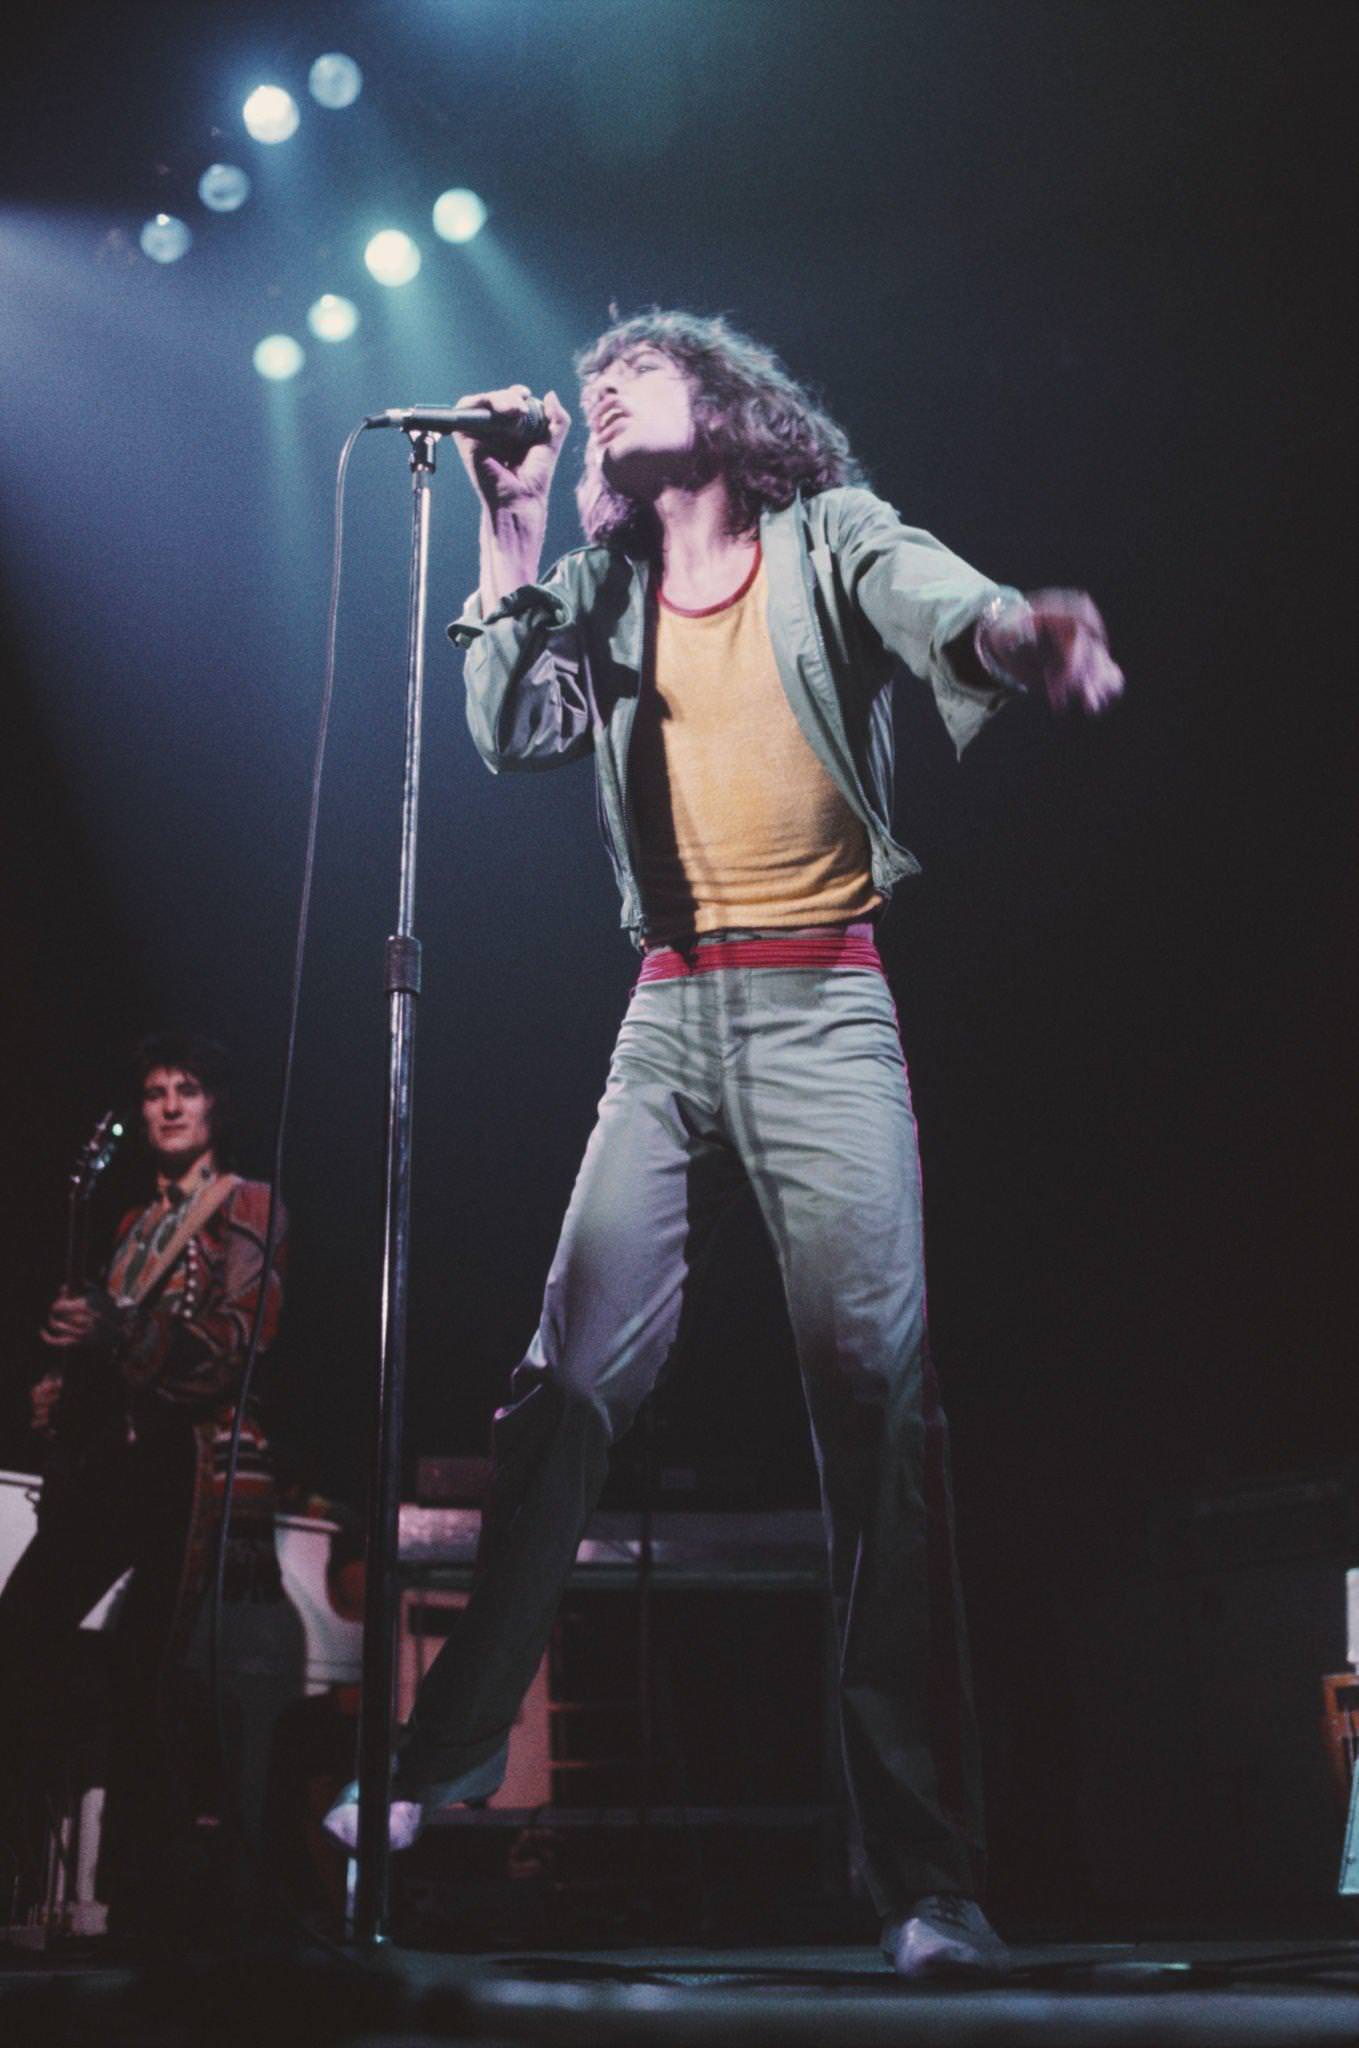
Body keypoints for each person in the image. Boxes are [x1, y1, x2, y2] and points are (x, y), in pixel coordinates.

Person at [326, 311, 1123, 1977]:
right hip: (668, 1015)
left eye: (639, 364)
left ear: (730, 404)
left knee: (873, 1411)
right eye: (589, 372)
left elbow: (934, 603)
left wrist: (1015, 635)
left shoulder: (821, 537)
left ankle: (917, 1875)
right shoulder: (602, 589)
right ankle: (441, 1759)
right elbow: (500, 728)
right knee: (559, 1385)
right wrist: (507, 518)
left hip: (823, 1005)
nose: (601, 379)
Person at [0, 1032, 286, 1939]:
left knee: (146, 1675)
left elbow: (238, 1347)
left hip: (187, 1463)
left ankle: (144, 1898)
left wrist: (114, 1333)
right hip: (112, 1465)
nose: (167, 1105)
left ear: (216, 1109)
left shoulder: (248, 1206)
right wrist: (65, 1385)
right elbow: (106, 1358)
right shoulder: (129, 1225)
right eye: (155, 1090)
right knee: (20, 1630)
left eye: (187, 1089)